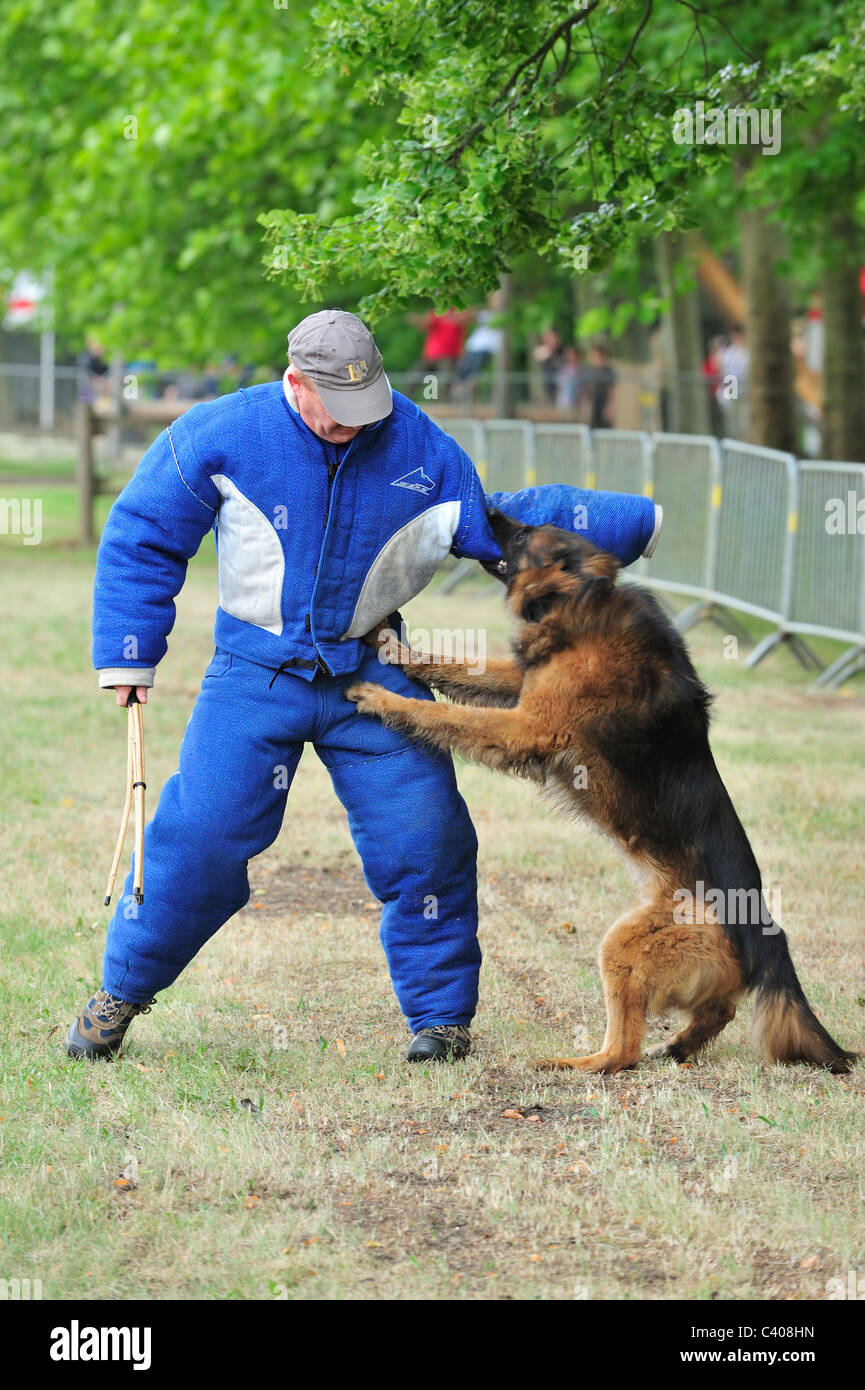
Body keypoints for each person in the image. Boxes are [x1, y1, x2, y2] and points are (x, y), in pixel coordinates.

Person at [65, 309, 661, 1065]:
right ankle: (120, 992)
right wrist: (129, 650)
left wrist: (635, 523)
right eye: (336, 412)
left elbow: (505, 527)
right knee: (201, 838)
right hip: (254, 676)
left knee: (428, 840)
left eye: (364, 407)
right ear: (294, 383)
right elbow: (143, 532)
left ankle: (441, 1021)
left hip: (374, 674)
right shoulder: (219, 434)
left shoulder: (420, 450)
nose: (353, 424)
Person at [585, 342, 616, 428]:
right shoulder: (591, 371)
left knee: (605, 427)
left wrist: (609, 406)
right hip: (593, 403)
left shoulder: (608, 371)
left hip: (603, 403)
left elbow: (612, 389)